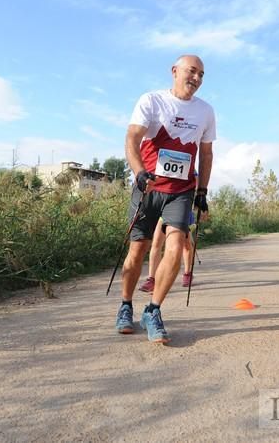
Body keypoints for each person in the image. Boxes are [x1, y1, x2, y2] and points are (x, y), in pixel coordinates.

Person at [115, 54, 216, 344]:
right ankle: (125, 305)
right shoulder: (152, 101)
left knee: (175, 245)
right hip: (148, 187)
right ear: (175, 71)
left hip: (182, 191)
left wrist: (202, 192)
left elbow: (206, 154)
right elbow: (132, 139)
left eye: (201, 75)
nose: (196, 78)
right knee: (138, 250)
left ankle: (153, 309)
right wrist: (138, 173)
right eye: (191, 71)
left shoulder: (206, 111)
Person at [140, 208, 197, 293]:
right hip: (164, 210)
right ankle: (151, 280)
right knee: (156, 244)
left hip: (183, 209)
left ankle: (187, 273)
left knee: (186, 245)